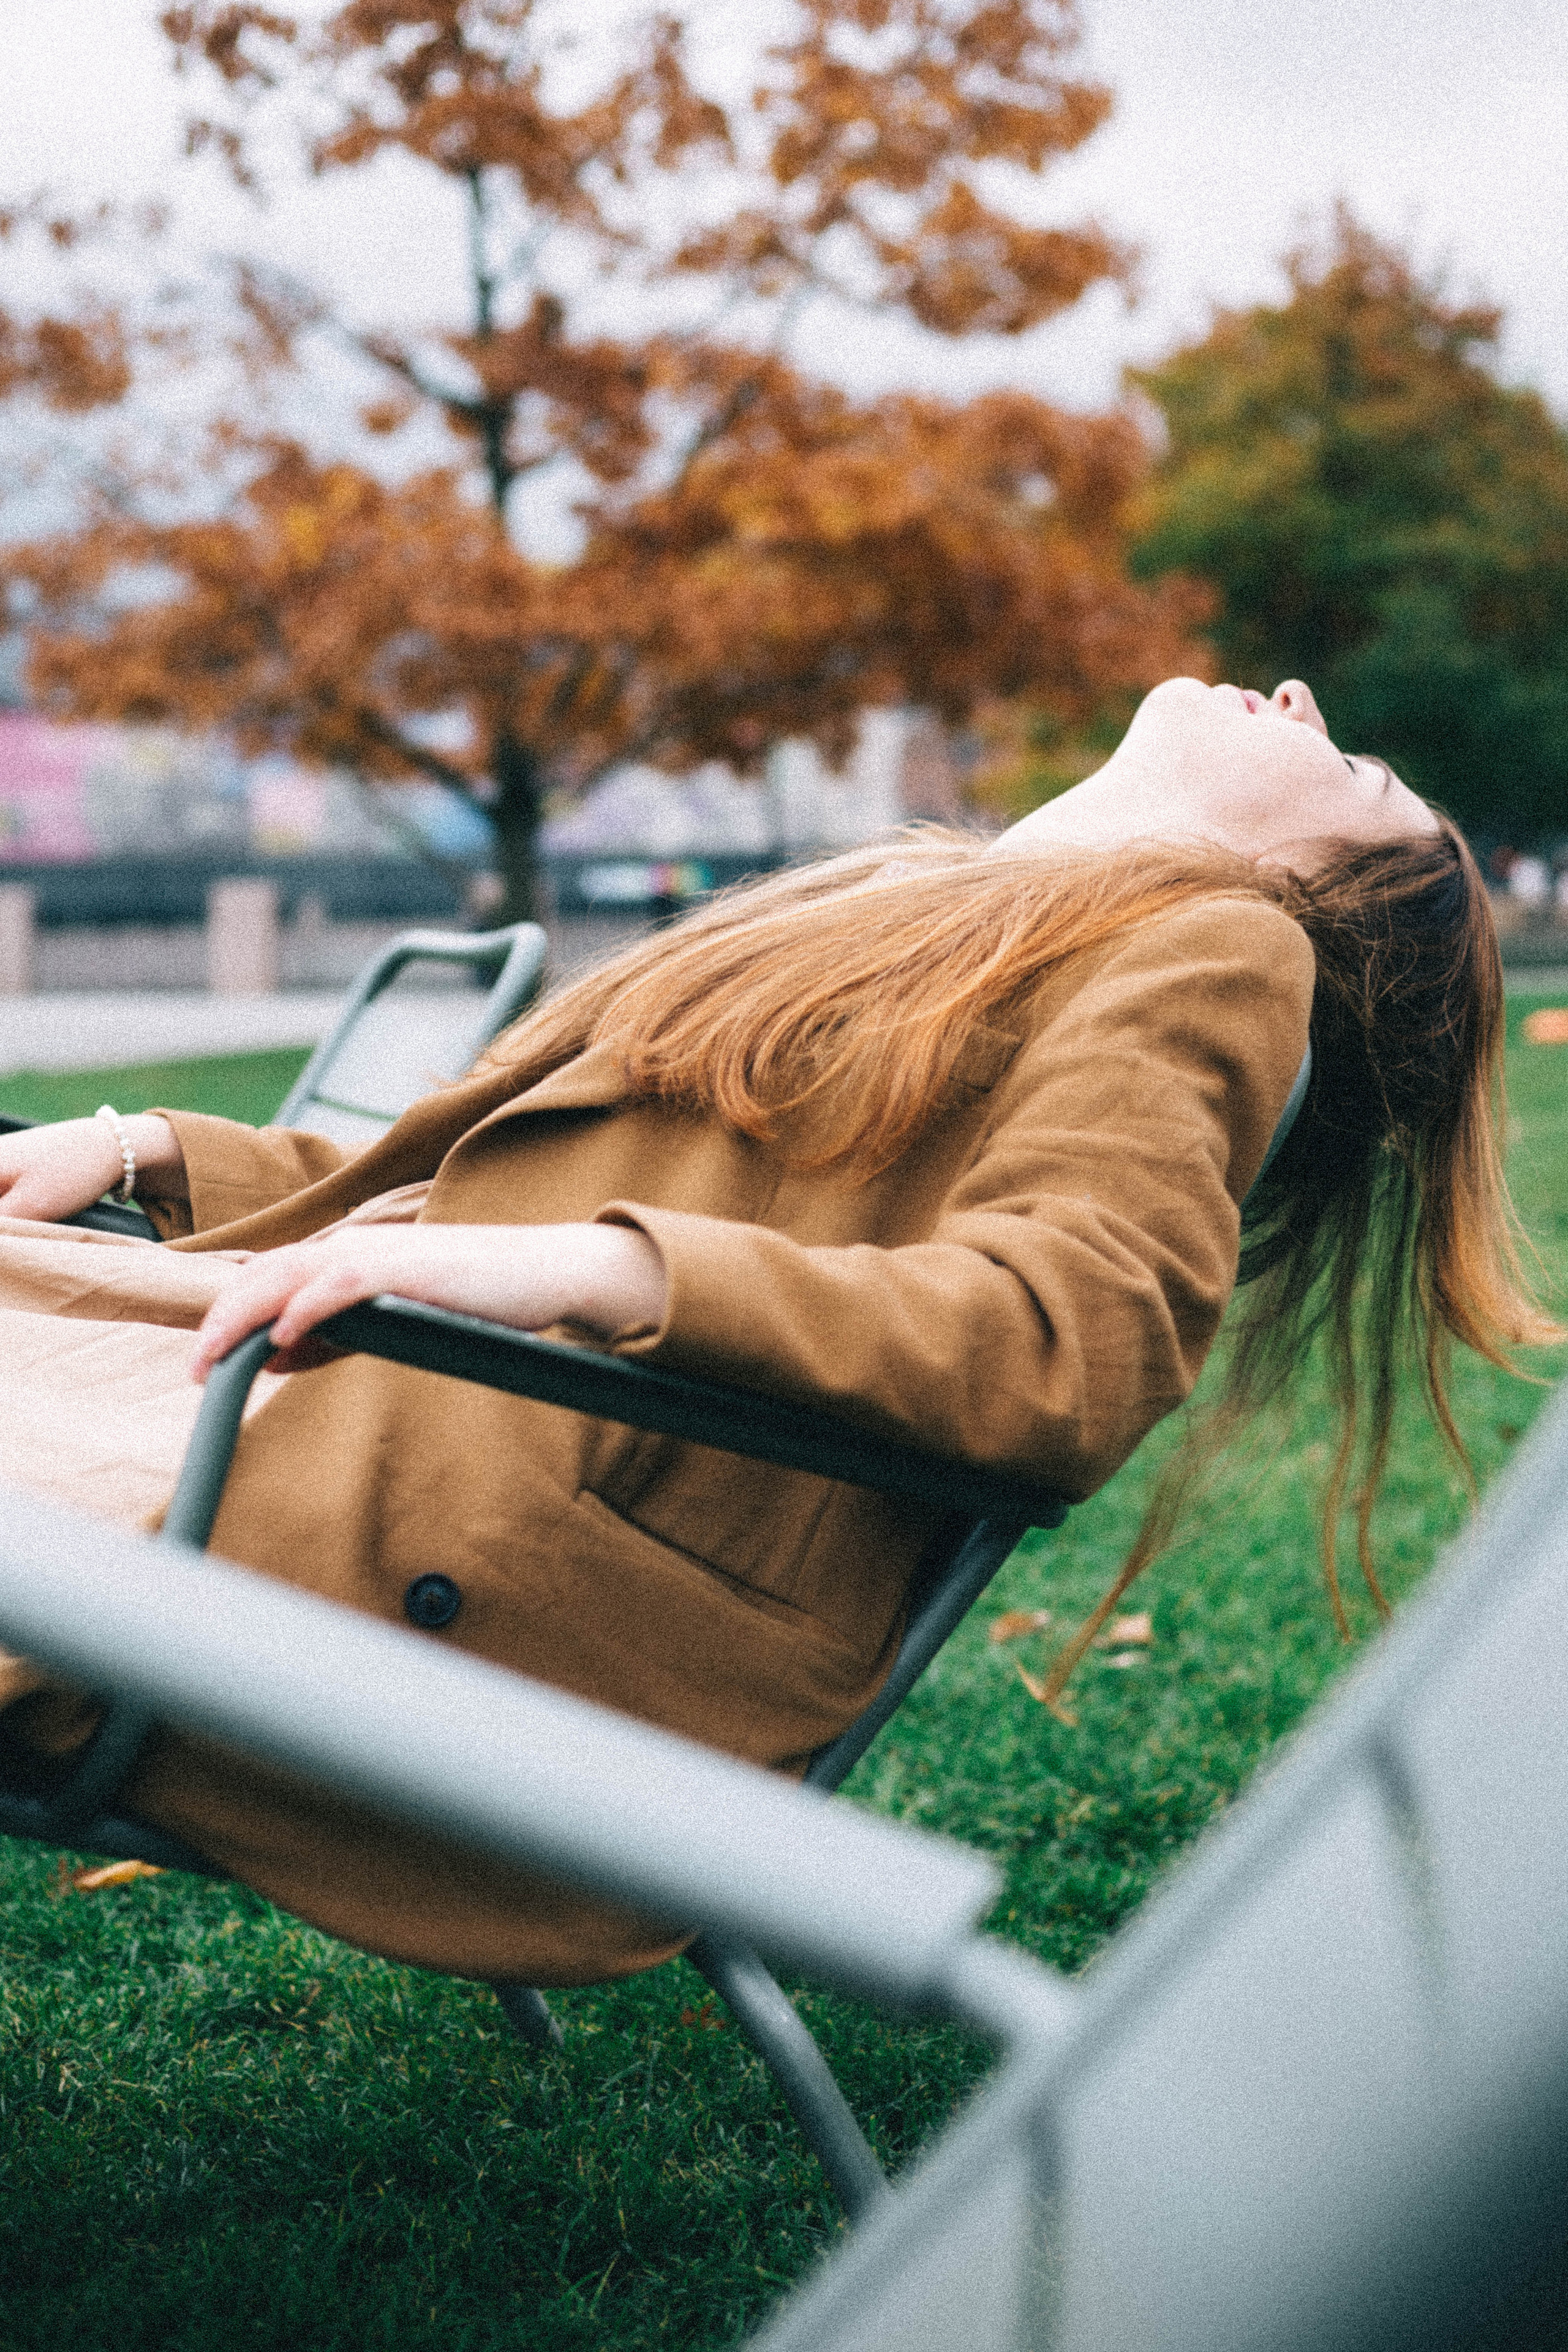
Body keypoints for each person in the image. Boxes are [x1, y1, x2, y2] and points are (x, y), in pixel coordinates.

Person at [0, 676, 1551, 1982]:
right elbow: (471, 1187)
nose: (1296, 699)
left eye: (1349, 768)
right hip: (367, 1421)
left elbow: (1060, 1340)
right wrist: (139, 1146)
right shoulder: (927, 906)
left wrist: (596, 1275)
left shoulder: (1223, 950)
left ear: (1313, 888)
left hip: (488, 1574)